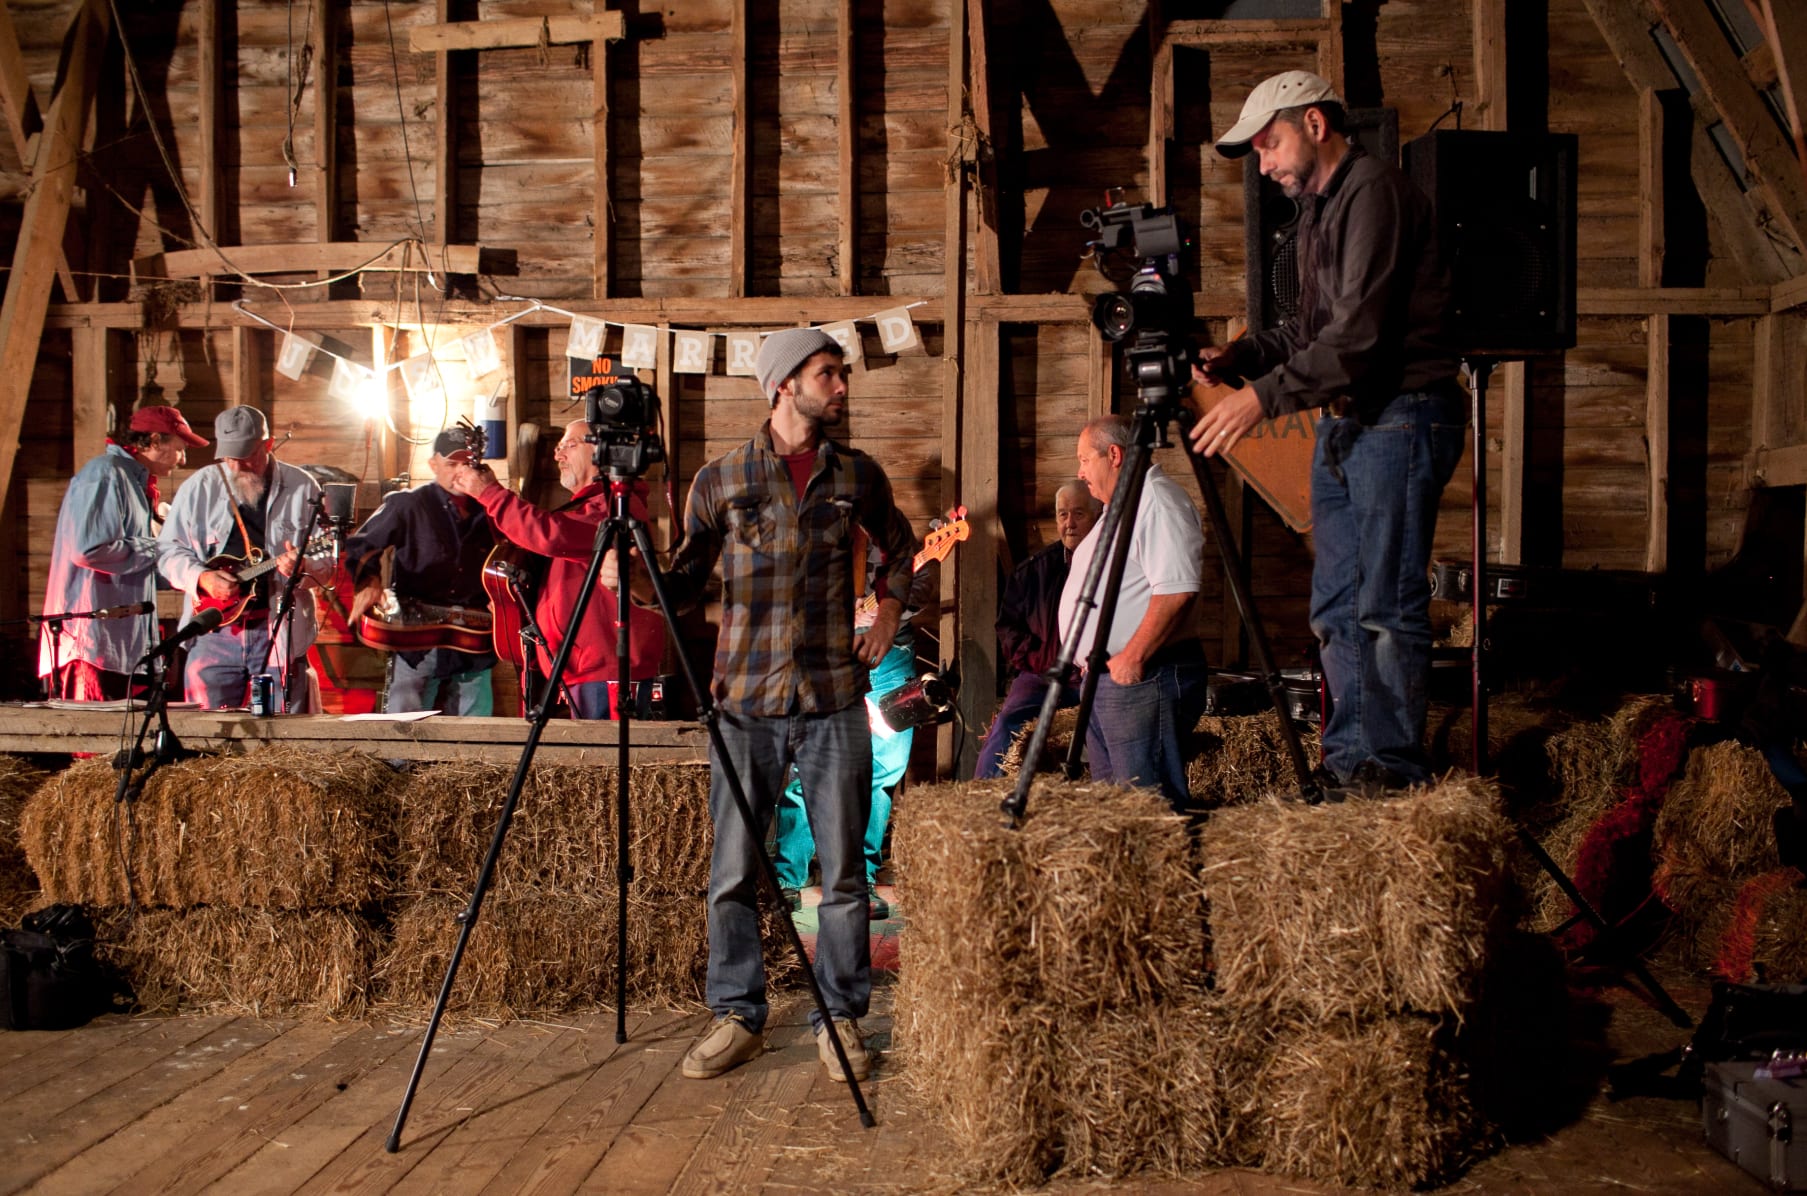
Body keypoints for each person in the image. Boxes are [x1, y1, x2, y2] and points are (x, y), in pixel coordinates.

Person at [600, 327, 914, 1085]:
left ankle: (839, 1019)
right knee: (733, 869)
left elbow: (900, 549)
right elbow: (681, 581)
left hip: (835, 699)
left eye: (840, 373)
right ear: (783, 385)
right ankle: (737, 1014)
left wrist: (890, 615)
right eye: (828, 373)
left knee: (842, 877)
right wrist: (631, 580)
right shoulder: (722, 478)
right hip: (742, 705)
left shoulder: (856, 475)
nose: (841, 386)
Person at [1186, 70, 1465, 791]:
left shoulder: (1373, 192)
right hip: (1350, 423)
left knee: (1383, 604)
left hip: (1400, 415)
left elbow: (1358, 341)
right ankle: (1348, 762)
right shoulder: (1316, 214)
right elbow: (1306, 333)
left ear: (1314, 124)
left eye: (1269, 143)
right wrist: (1241, 357)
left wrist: (1258, 402)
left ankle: (1391, 769)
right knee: (1336, 608)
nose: (1264, 163)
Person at [770, 536, 939, 922]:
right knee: (808, 769)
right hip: (825, 658)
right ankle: (787, 879)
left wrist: (886, 613)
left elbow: (923, 580)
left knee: (882, 770)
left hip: (890, 656)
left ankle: (859, 879)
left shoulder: (896, 535)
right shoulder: (814, 530)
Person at [449, 419, 663, 720]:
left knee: (602, 761)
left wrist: (490, 493)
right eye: (558, 447)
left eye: (569, 445)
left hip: (605, 671)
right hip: (588, 669)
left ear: (600, 452)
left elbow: (550, 535)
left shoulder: (612, 508)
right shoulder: (591, 508)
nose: (557, 455)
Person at [1058, 415, 1208, 810]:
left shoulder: (1157, 501)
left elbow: (1177, 590)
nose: (1080, 471)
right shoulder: (1121, 507)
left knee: (1147, 804)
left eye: (1084, 460)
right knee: (1117, 809)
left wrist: (1133, 656)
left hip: (1141, 677)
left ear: (1114, 454)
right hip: (1107, 678)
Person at [157, 405, 329, 711]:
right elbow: (168, 551)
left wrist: (305, 567)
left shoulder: (303, 488)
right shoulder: (200, 486)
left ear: (268, 443)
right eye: (229, 457)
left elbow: (328, 559)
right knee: (207, 734)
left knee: (288, 734)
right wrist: (202, 577)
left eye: (245, 455)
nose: (236, 466)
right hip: (213, 632)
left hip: (277, 630)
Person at [37, 405, 208, 700]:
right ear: (155, 441)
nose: (183, 459)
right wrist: (160, 546)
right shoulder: (105, 474)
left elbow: (133, 562)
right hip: (91, 647)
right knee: (93, 741)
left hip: (117, 646)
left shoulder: (133, 483)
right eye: (180, 449)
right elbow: (89, 549)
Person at [343, 430, 497, 715]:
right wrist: (370, 581)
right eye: (452, 464)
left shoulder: (494, 508)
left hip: (474, 636)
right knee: (404, 725)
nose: (461, 472)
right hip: (415, 635)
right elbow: (361, 546)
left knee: (476, 729)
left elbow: (516, 556)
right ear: (433, 464)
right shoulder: (407, 504)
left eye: (468, 464)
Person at [972, 480, 1101, 779]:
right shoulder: (1033, 571)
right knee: (1006, 726)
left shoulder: (1114, 566)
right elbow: (1007, 627)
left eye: (1078, 514)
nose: (1069, 524)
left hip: (1097, 679)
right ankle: (980, 801)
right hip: (1042, 677)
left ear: (1097, 515)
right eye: (1062, 515)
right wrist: (1040, 660)